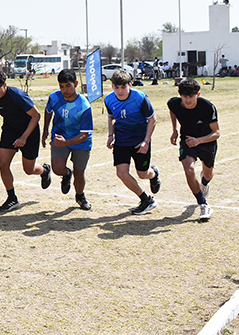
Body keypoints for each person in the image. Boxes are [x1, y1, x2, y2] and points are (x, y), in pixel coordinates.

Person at [0, 70, 50, 212]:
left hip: (29, 131)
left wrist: (24, 137)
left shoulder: (17, 96)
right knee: (3, 164)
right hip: (10, 130)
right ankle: (12, 198)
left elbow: (36, 116)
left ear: (4, 85)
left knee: (29, 169)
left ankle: (44, 171)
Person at [105, 70, 161, 215]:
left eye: (123, 87)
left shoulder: (140, 98)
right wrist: (111, 135)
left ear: (130, 85)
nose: (120, 91)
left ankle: (153, 174)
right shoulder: (109, 99)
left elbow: (152, 119)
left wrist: (146, 141)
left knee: (142, 174)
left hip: (139, 140)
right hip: (122, 141)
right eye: (116, 87)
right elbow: (111, 117)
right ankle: (146, 200)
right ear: (112, 86)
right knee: (121, 173)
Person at [168, 79, 220, 222]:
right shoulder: (174, 103)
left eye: (191, 96)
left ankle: (204, 182)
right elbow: (172, 110)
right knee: (189, 170)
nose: (188, 100)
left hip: (207, 141)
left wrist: (199, 140)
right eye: (185, 97)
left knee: (208, 173)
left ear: (198, 94)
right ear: (180, 95)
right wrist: (174, 130)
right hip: (188, 140)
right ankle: (203, 204)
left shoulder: (207, 107)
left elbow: (217, 133)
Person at [42, 69, 93, 210]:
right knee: (57, 168)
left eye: (68, 86)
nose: (65, 90)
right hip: (59, 136)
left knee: (79, 172)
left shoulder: (84, 106)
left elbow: (84, 135)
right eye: (61, 86)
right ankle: (66, 174)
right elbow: (48, 111)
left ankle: (80, 196)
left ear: (76, 84)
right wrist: (45, 130)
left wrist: (67, 142)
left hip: (81, 141)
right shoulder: (54, 97)